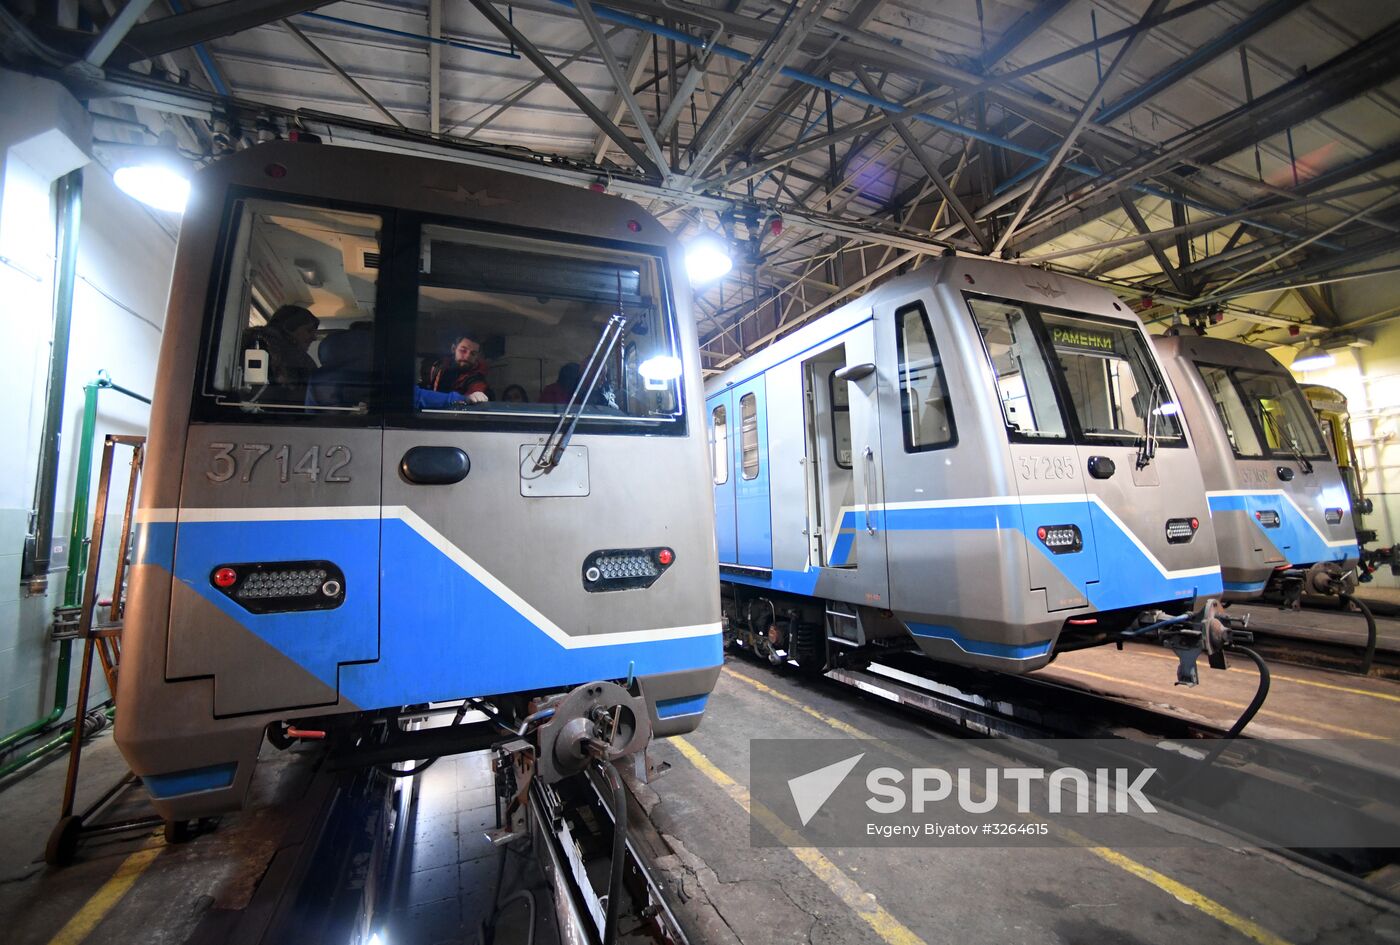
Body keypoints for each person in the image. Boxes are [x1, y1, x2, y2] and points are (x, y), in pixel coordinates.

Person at [248, 304, 319, 404]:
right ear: (289, 328)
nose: (314, 337)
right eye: (309, 331)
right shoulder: (298, 358)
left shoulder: (250, 341)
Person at [428, 334, 490, 403]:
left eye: (473, 354)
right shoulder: (439, 366)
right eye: (463, 350)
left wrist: (472, 397)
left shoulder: (477, 380)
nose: (467, 356)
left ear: (477, 356)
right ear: (453, 349)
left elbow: (473, 400)